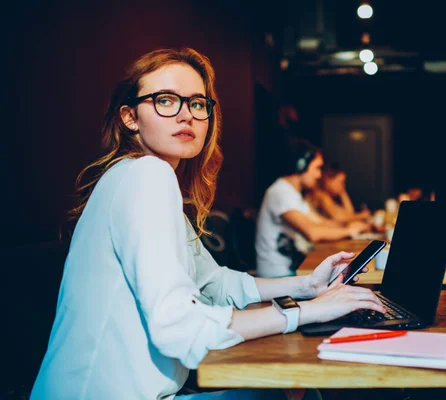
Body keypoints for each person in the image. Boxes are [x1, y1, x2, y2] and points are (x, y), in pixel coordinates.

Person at [30, 48, 385, 400]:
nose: (186, 115)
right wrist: (309, 311)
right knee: (289, 393)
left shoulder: (138, 176)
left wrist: (308, 285)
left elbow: (215, 283)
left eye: (198, 104)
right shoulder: (146, 176)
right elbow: (179, 329)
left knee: (293, 391)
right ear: (130, 118)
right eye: (166, 100)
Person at [255, 138, 371, 278]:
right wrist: (349, 231)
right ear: (301, 165)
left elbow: (320, 221)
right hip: (278, 276)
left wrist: (350, 225)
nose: (319, 175)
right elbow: (312, 233)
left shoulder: (292, 193)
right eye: (317, 168)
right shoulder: (280, 192)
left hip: (291, 270)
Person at [307, 164, 371, 224]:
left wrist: (342, 192)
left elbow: (349, 214)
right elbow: (338, 218)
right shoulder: (320, 195)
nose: (343, 186)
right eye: (341, 182)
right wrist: (361, 216)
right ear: (328, 180)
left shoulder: (329, 198)